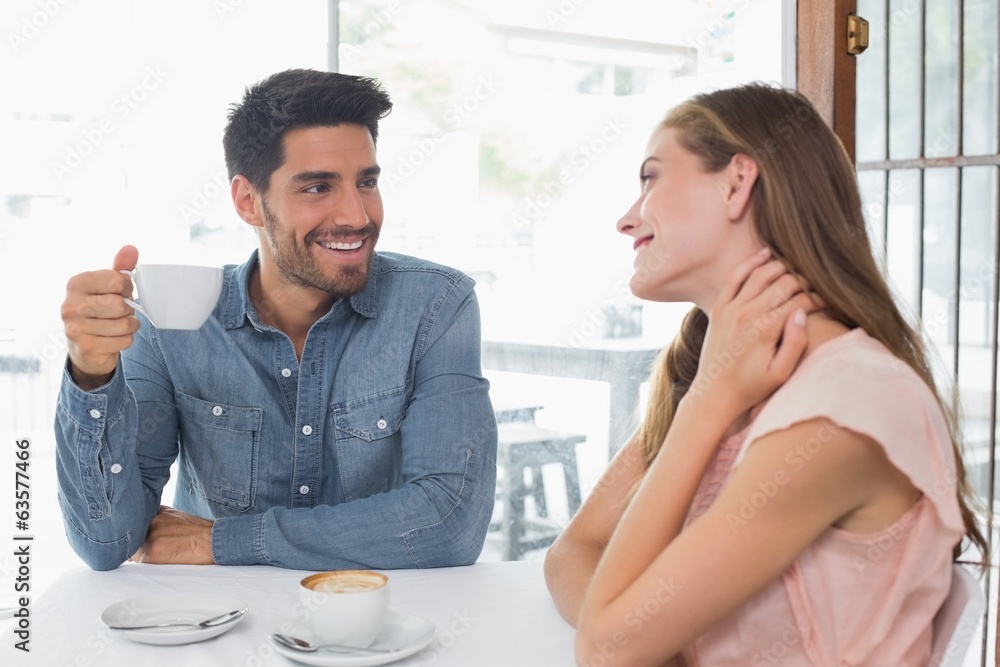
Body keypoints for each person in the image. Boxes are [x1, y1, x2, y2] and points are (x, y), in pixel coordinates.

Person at [544, 83, 988, 666]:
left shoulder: (844, 406)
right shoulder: (729, 370)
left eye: (651, 178)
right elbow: (574, 552)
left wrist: (707, 402)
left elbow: (608, 649)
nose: (627, 221)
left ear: (736, 183)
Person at [55, 69, 498, 571]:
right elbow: (107, 543)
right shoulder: (169, 321)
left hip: (375, 630)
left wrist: (223, 542)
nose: (356, 215)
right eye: (317, 188)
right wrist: (90, 374)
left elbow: (451, 525)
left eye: (367, 182)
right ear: (248, 202)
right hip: (217, 634)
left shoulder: (436, 306)